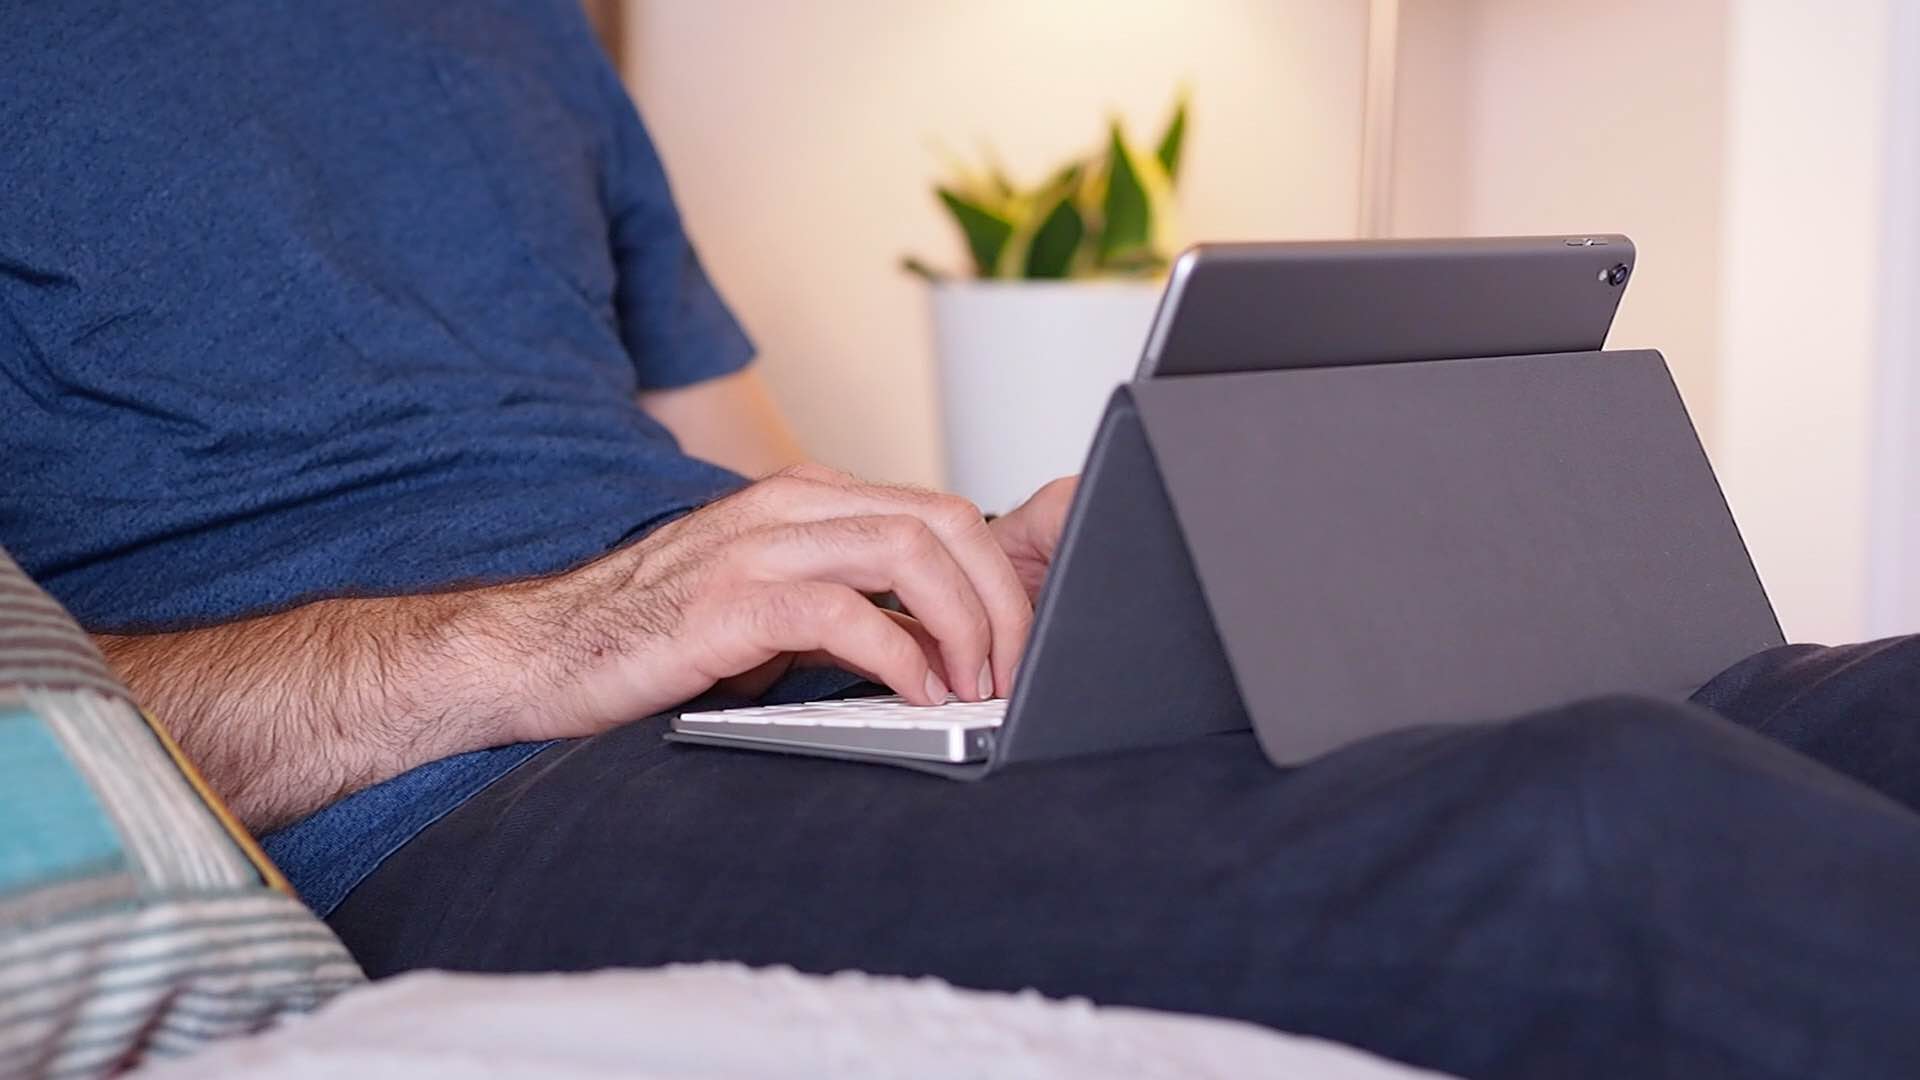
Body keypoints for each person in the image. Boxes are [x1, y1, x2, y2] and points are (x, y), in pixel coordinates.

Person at [4, 3, 1919, 1078]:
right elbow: (40, 762)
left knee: (1834, 708)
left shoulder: (515, 31)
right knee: (1600, 830)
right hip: (463, 801)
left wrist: (996, 559)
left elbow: (730, 490)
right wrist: (538, 645)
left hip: (804, 708)